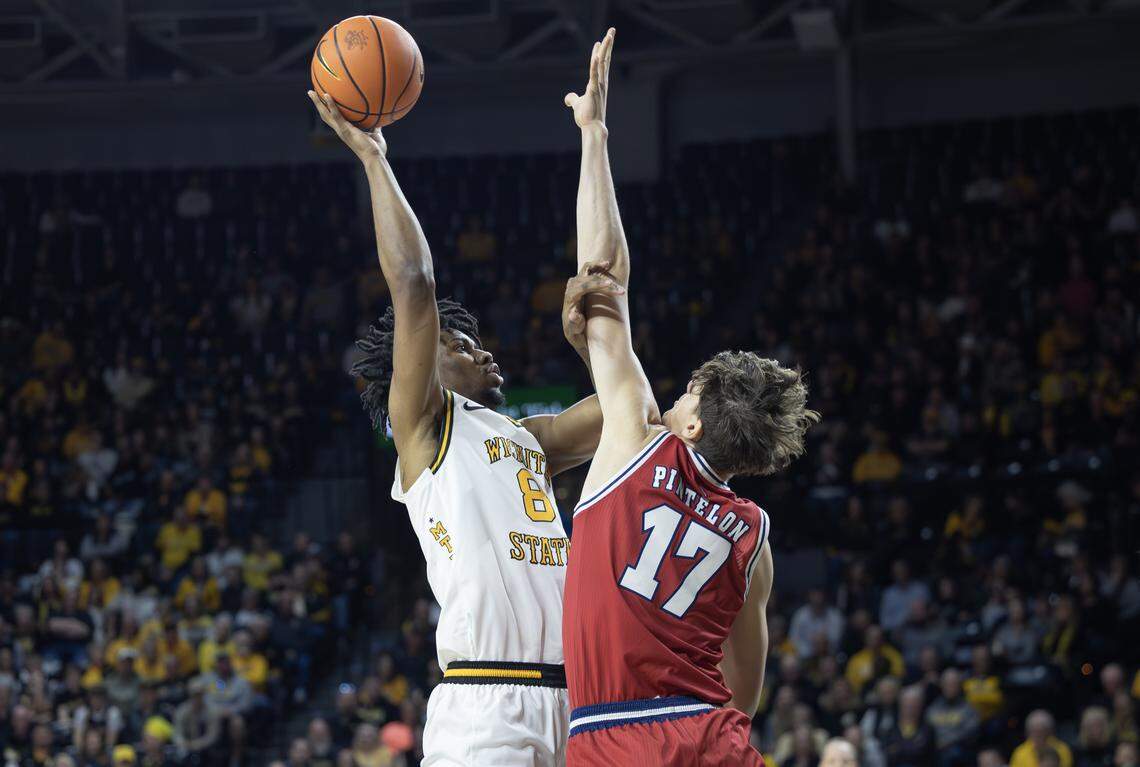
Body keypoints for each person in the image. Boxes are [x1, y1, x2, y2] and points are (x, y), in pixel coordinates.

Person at [307, 76, 609, 765]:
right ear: (422, 365)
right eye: (459, 342)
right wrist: (373, 158)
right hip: (486, 701)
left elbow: (631, 412)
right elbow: (414, 282)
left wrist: (588, 345)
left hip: (581, 700)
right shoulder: (421, 426)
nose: (482, 348)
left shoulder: (524, 439)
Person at [560, 28, 817, 766]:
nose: (668, 398)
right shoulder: (754, 534)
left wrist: (595, 132)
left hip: (611, 734)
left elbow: (603, 275)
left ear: (696, 421)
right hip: (709, 735)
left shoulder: (635, 443)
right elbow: (744, 690)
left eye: (683, 393)